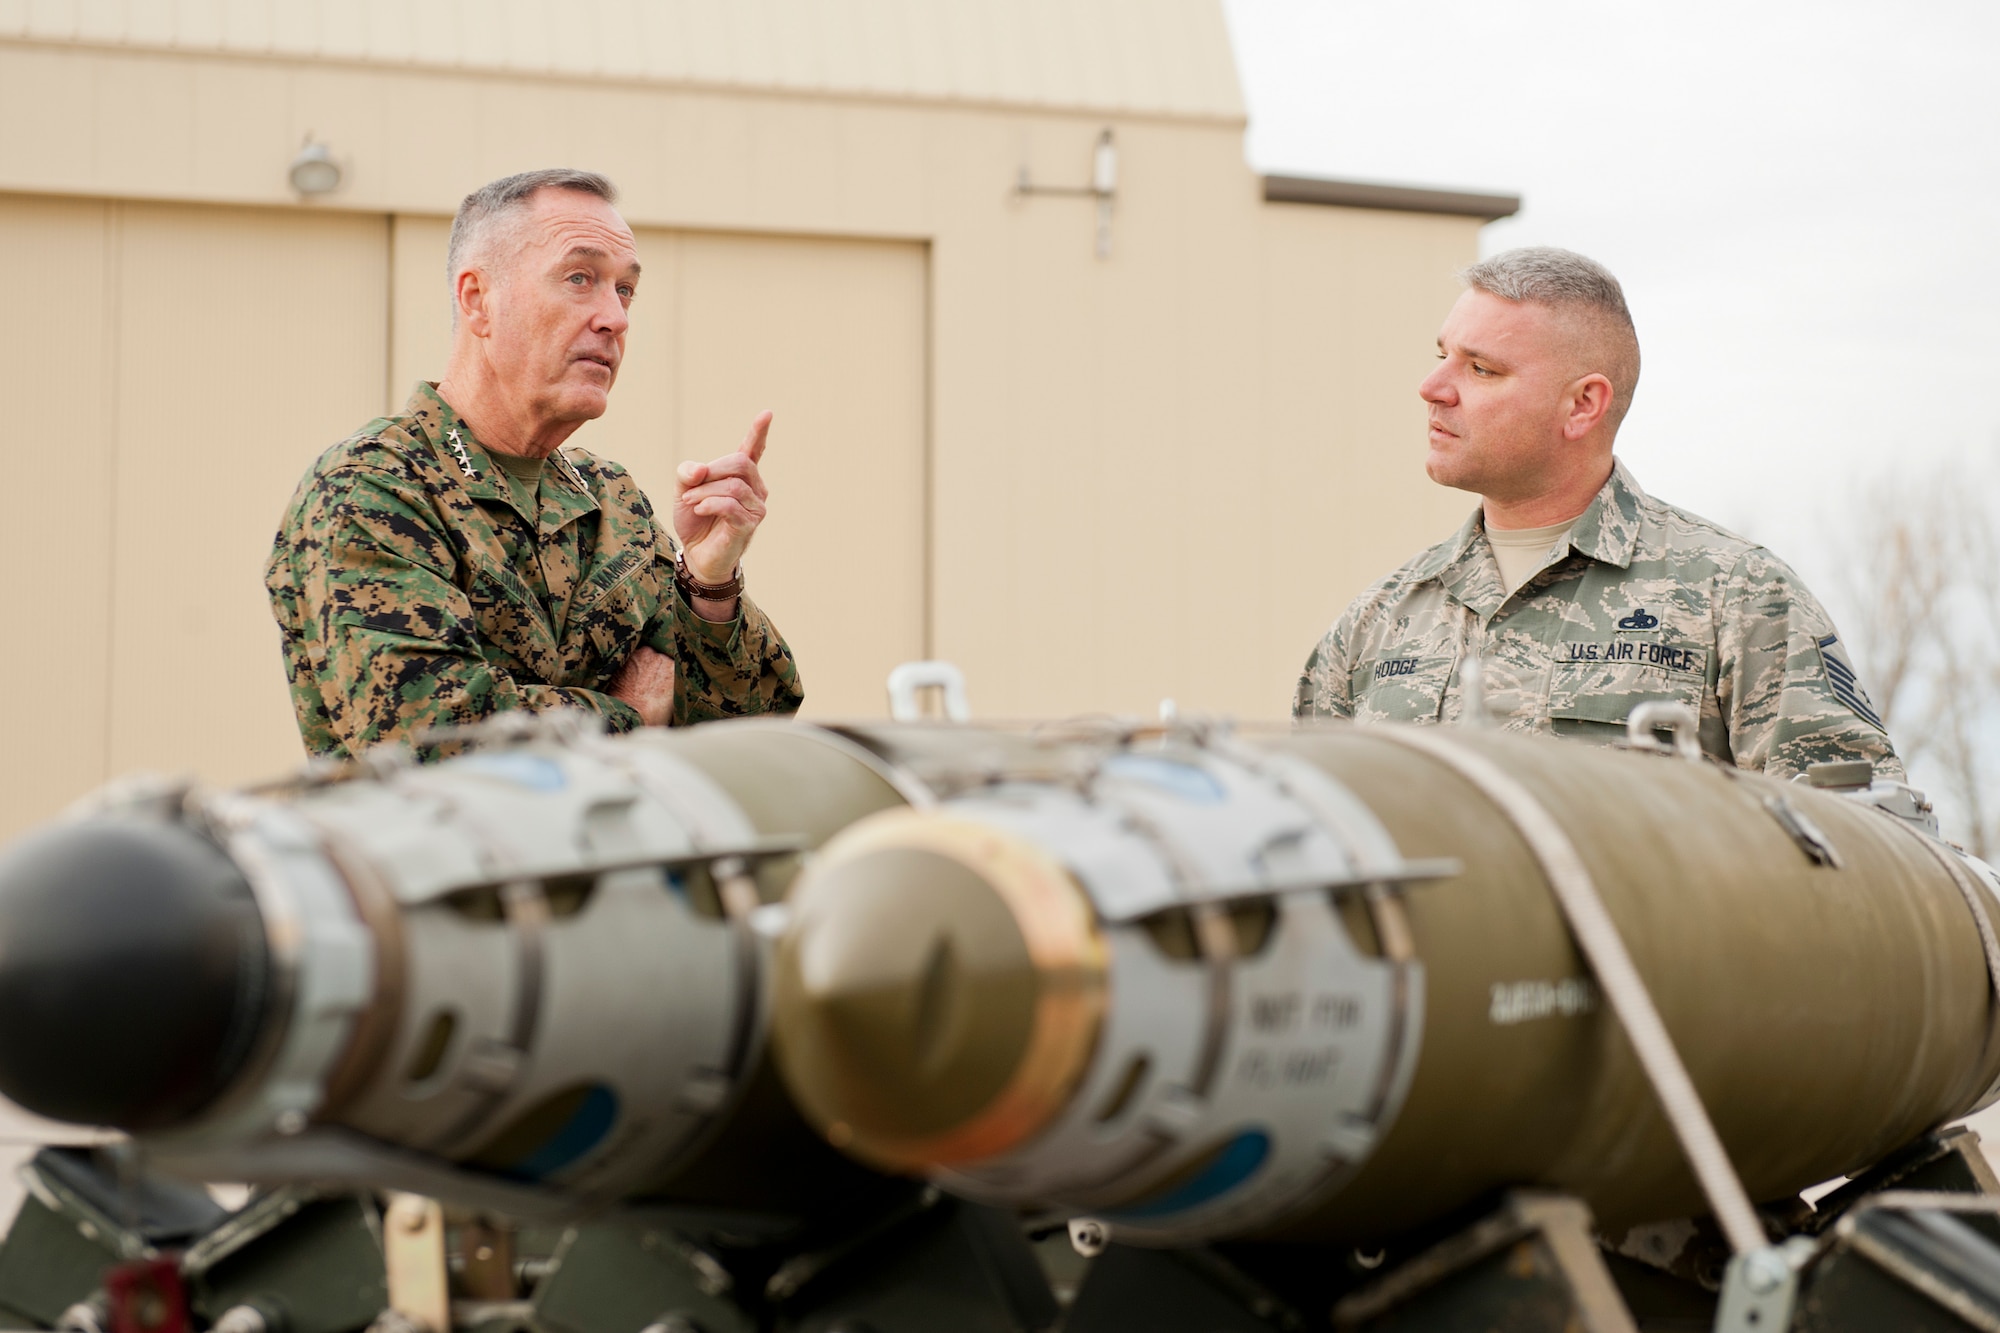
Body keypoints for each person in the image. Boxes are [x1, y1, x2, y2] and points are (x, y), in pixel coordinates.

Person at [1294, 247, 1900, 781]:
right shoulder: (1377, 623)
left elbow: (1861, 846)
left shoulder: (1735, 598)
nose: (1432, 387)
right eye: (1442, 355)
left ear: (1583, 404)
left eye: (1480, 369)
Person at [267, 169, 802, 760]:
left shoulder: (608, 497)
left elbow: (757, 730)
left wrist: (708, 581)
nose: (615, 318)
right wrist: (629, 717)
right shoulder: (374, 487)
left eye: (624, 290)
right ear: (478, 301)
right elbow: (431, 738)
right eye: (580, 278)